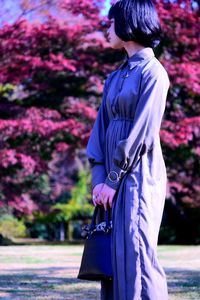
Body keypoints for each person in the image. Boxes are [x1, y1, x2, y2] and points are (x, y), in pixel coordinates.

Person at [86, 0, 170, 299]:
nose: (106, 28)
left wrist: (111, 179)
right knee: (113, 257)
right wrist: (98, 179)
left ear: (129, 24)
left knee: (137, 254)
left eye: (111, 22)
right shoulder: (115, 76)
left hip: (137, 176)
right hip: (111, 179)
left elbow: (142, 134)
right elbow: (100, 130)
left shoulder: (154, 73)